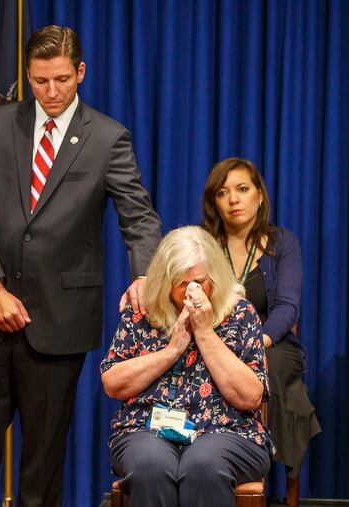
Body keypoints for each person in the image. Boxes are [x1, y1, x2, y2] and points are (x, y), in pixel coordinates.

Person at [0, 25, 161, 506]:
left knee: (43, 464)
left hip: (59, 321)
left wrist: (146, 276)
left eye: (62, 80)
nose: (51, 92)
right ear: (27, 75)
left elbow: (139, 217)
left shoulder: (107, 138)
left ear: (80, 73)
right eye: (41, 81)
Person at [101, 226, 272, 507]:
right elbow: (113, 383)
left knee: (202, 466)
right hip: (147, 428)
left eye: (199, 282)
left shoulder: (240, 313)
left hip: (228, 430)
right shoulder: (142, 310)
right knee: (150, 467)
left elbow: (250, 396)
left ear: (214, 278)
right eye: (179, 283)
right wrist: (172, 351)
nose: (189, 291)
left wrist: (204, 333)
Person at [201, 157, 320, 479]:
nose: (234, 200)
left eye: (242, 189)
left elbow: (287, 306)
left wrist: (254, 343)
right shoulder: (201, 243)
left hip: (271, 340)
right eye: (222, 193)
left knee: (268, 365)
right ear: (214, 202)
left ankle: (252, 457)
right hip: (211, 339)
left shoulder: (283, 243)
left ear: (259, 195)